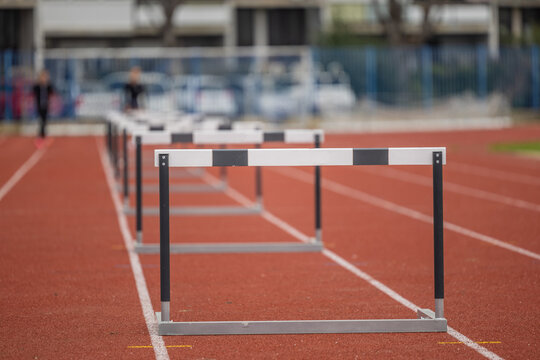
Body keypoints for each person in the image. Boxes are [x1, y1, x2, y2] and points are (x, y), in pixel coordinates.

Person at [33, 69, 54, 144]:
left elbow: (52, 91)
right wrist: (39, 82)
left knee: (44, 121)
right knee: (41, 121)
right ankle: (40, 136)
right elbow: (33, 90)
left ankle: (43, 135)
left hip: (46, 105)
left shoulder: (47, 86)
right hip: (39, 105)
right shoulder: (38, 86)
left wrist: (47, 83)